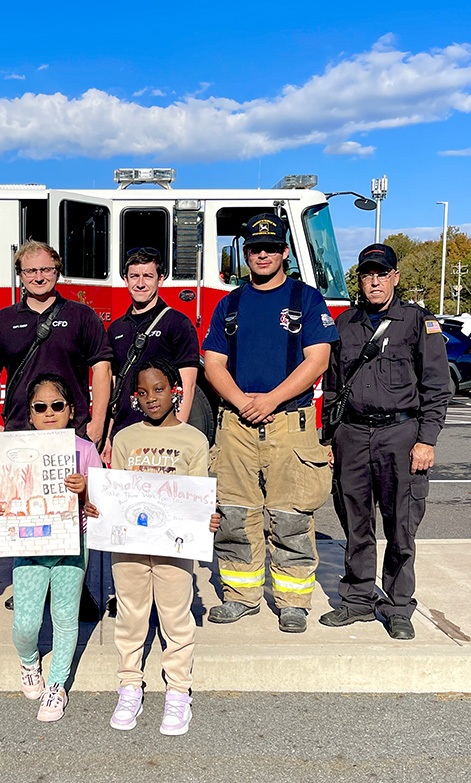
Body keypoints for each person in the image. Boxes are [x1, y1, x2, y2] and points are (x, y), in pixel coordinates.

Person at [202, 213, 337, 633]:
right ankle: (241, 595)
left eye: (271, 248)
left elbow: (318, 359)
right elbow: (213, 364)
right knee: (236, 514)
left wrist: (271, 400)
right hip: (236, 425)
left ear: (284, 253)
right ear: (245, 254)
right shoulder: (231, 303)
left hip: (288, 423)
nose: (262, 254)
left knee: (291, 515)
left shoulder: (307, 298)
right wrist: (242, 401)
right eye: (255, 248)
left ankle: (293, 601)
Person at [319, 243, 451, 640]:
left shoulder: (417, 322)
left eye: (381, 273)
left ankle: (397, 607)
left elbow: (436, 387)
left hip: (401, 435)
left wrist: (426, 440)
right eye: (366, 274)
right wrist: (327, 437)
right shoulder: (344, 324)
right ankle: (358, 600)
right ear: (359, 279)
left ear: (394, 277)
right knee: (355, 523)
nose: (373, 281)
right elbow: (331, 387)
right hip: (352, 435)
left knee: (400, 526)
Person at [86, 358, 220, 736]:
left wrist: (206, 518)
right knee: (130, 615)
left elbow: (198, 495)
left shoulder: (194, 439)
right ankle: (130, 684)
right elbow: (117, 493)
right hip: (129, 546)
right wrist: (100, 506)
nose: (152, 398)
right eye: (143, 392)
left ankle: (177, 692)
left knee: (176, 617)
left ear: (175, 391)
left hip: (174, 548)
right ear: (134, 398)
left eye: (159, 389)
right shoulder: (127, 438)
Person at [0, 240, 112, 619]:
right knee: (26, 514)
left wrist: (97, 420)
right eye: (30, 271)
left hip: (70, 428)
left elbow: (102, 368)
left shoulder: (81, 316)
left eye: (45, 270)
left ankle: (76, 591)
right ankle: (31, 586)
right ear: (20, 276)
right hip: (21, 432)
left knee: (73, 513)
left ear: (57, 272)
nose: (38, 277)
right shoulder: (3, 321)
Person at [0, 373, 101, 722]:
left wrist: (84, 490)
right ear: (30, 414)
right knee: (25, 622)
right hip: (29, 545)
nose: (49, 412)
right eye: (40, 407)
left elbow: (102, 501)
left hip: (71, 543)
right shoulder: (13, 449)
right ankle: (28, 661)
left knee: (66, 618)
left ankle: (57, 685)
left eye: (57, 405)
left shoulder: (85, 449)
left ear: (71, 410)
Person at [105, 247, 199, 457]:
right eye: (134, 276)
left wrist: (176, 435)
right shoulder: (115, 329)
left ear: (161, 280)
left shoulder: (178, 324)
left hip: (162, 435)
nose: (140, 283)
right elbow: (115, 388)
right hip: (124, 434)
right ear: (125, 280)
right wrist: (109, 436)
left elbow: (188, 384)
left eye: (148, 276)